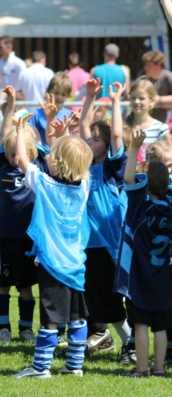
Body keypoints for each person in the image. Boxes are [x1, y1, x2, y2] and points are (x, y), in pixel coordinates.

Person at [12, 125, 93, 379]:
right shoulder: (84, 186)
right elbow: (71, 163)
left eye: (53, 158)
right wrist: (63, 136)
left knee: (50, 318)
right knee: (77, 317)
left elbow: (22, 160)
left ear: (58, 165)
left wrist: (18, 130)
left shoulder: (45, 184)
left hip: (52, 263)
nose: (48, 160)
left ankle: (40, 368)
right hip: (76, 265)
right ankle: (74, 366)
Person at [79, 78, 133, 361]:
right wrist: (89, 97)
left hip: (114, 244)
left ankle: (133, 343)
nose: (91, 142)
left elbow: (115, 137)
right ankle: (125, 342)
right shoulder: (86, 166)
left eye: (96, 140)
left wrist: (114, 100)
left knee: (118, 299)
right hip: (91, 244)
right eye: (91, 139)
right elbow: (83, 128)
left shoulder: (113, 166)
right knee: (100, 300)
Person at [115, 130, 172, 377]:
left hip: (138, 279)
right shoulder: (169, 208)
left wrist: (134, 148)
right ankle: (159, 368)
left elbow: (128, 178)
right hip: (163, 278)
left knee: (140, 324)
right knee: (160, 327)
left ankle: (141, 369)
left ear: (145, 183)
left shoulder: (140, 206)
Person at [0, 86, 45, 344]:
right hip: (4, 236)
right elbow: (4, 136)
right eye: (12, 153)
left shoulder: (38, 168)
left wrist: (25, 132)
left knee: (26, 286)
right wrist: (10, 104)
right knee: (2, 285)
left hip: (29, 238)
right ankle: (3, 329)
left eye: (20, 153)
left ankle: (26, 329)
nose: (15, 158)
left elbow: (46, 147)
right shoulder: (2, 163)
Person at [124, 78, 170, 163]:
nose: (137, 101)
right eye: (133, 98)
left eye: (141, 98)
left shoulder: (160, 128)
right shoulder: (124, 127)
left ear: (152, 101)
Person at [29, 72, 73, 144]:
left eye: (63, 94)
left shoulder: (69, 114)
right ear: (48, 91)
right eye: (56, 93)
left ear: (67, 96)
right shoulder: (36, 114)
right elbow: (30, 138)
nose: (59, 97)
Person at [137, 50, 172, 123]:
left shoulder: (168, 77)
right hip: (143, 120)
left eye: (149, 66)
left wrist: (159, 100)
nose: (145, 68)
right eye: (145, 65)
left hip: (163, 122)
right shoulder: (142, 75)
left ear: (158, 67)